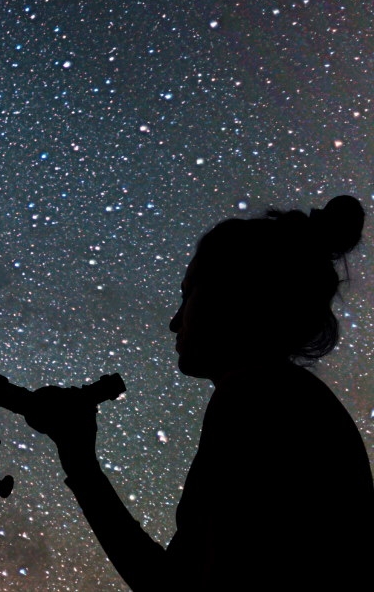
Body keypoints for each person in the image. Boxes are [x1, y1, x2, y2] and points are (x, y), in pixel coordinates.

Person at [25, 195, 374, 590]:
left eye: (187, 294)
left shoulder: (254, 396)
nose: (174, 322)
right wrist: (80, 462)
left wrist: (81, 466)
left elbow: (173, 587)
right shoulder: (287, 397)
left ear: (235, 294)